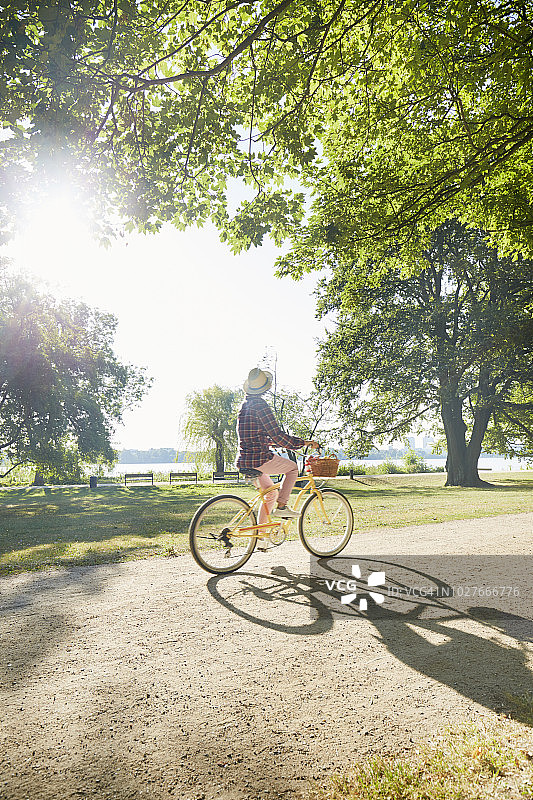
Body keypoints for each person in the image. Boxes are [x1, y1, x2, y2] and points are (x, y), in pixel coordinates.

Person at [236, 367, 318, 526]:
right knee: (293, 468)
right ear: (263, 388)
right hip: (259, 459)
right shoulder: (260, 406)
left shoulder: (244, 406)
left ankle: (260, 537)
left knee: (271, 493)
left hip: (244, 460)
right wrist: (302, 443)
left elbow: (255, 436)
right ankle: (282, 506)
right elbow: (277, 435)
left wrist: (273, 443)